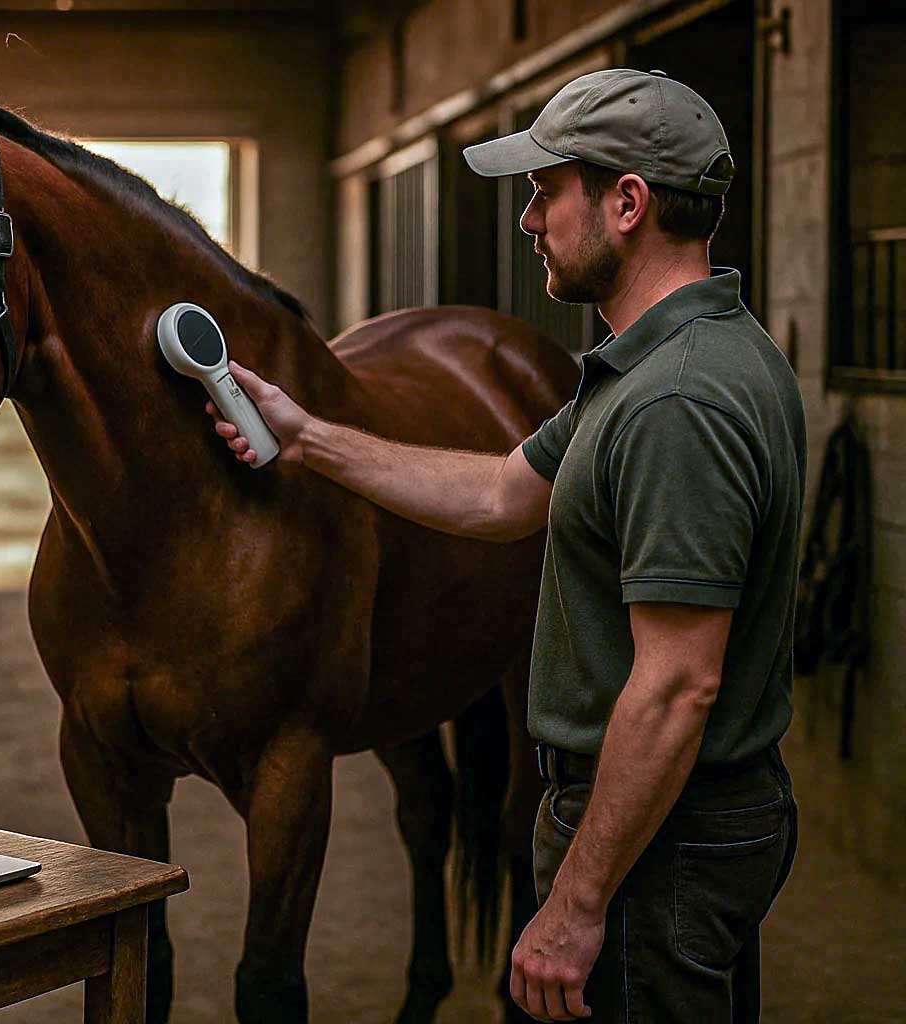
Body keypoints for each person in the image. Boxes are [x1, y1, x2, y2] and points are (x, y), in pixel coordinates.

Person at [210, 69, 803, 1023]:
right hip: (661, 826)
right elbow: (498, 494)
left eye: (544, 189)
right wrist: (308, 434)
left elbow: (677, 685)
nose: (528, 220)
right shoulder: (649, 365)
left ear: (627, 202)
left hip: (661, 840)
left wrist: (572, 904)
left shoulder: (677, 404)